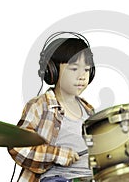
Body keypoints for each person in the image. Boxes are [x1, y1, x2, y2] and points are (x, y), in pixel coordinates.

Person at [8, 31, 96, 182]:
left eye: (87, 70)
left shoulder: (89, 111)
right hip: (57, 178)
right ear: (52, 71)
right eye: (74, 69)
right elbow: (17, 146)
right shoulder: (40, 105)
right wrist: (57, 154)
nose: (82, 76)